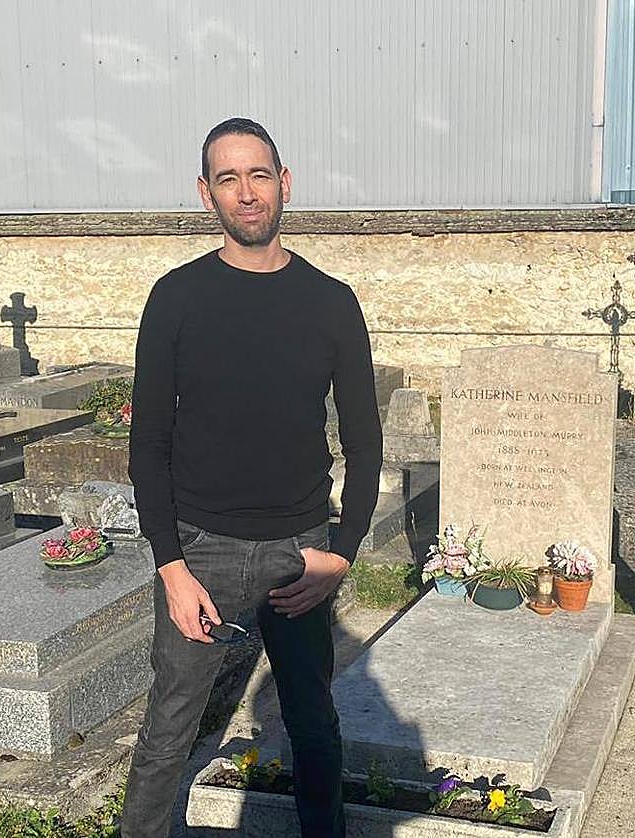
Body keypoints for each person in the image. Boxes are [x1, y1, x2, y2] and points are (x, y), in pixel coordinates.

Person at [119, 117, 382, 838]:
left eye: (259, 175)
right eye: (228, 178)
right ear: (206, 194)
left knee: (314, 726)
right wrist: (171, 566)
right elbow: (149, 444)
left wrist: (343, 551)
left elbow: (363, 439)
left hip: (299, 551)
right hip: (201, 550)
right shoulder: (176, 298)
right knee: (167, 734)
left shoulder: (332, 301)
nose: (246, 192)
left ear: (284, 183)